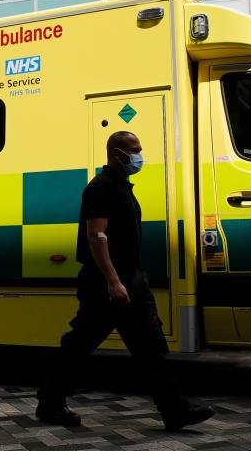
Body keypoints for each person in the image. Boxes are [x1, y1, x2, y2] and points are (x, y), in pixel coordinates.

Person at [36, 131, 214, 431]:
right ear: (117, 153)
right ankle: (50, 402)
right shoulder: (101, 188)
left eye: (140, 148)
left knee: (150, 345)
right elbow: (97, 236)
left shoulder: (121, 187)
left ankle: (174, 410)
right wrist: (113, 281)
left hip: (130, 278)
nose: (139, 155)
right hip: (107, 283)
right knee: (80, 345)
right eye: (134, 149)